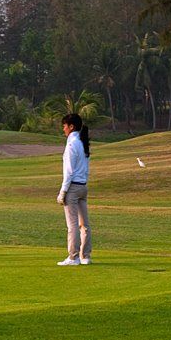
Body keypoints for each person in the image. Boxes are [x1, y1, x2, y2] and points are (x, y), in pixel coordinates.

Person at [56, 113, 91, 266]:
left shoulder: (71, 144)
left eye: (64, 126)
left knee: (72, 225)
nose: (63, 129)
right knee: (84, 224)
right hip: (83, 187)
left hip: (73, 188)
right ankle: (85, 256)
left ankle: (73, 257)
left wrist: (63, 192)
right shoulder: (83, 143)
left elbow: (68, 171)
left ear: (71, 127)